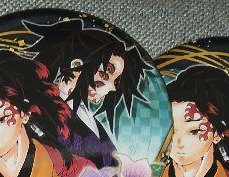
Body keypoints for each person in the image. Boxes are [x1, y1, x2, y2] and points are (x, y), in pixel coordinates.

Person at [31, 21, 148, 168]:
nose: (112, 87)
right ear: (76, 65)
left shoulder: (89, 117)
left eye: (116, 81)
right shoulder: (42, 108)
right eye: (107, 72)